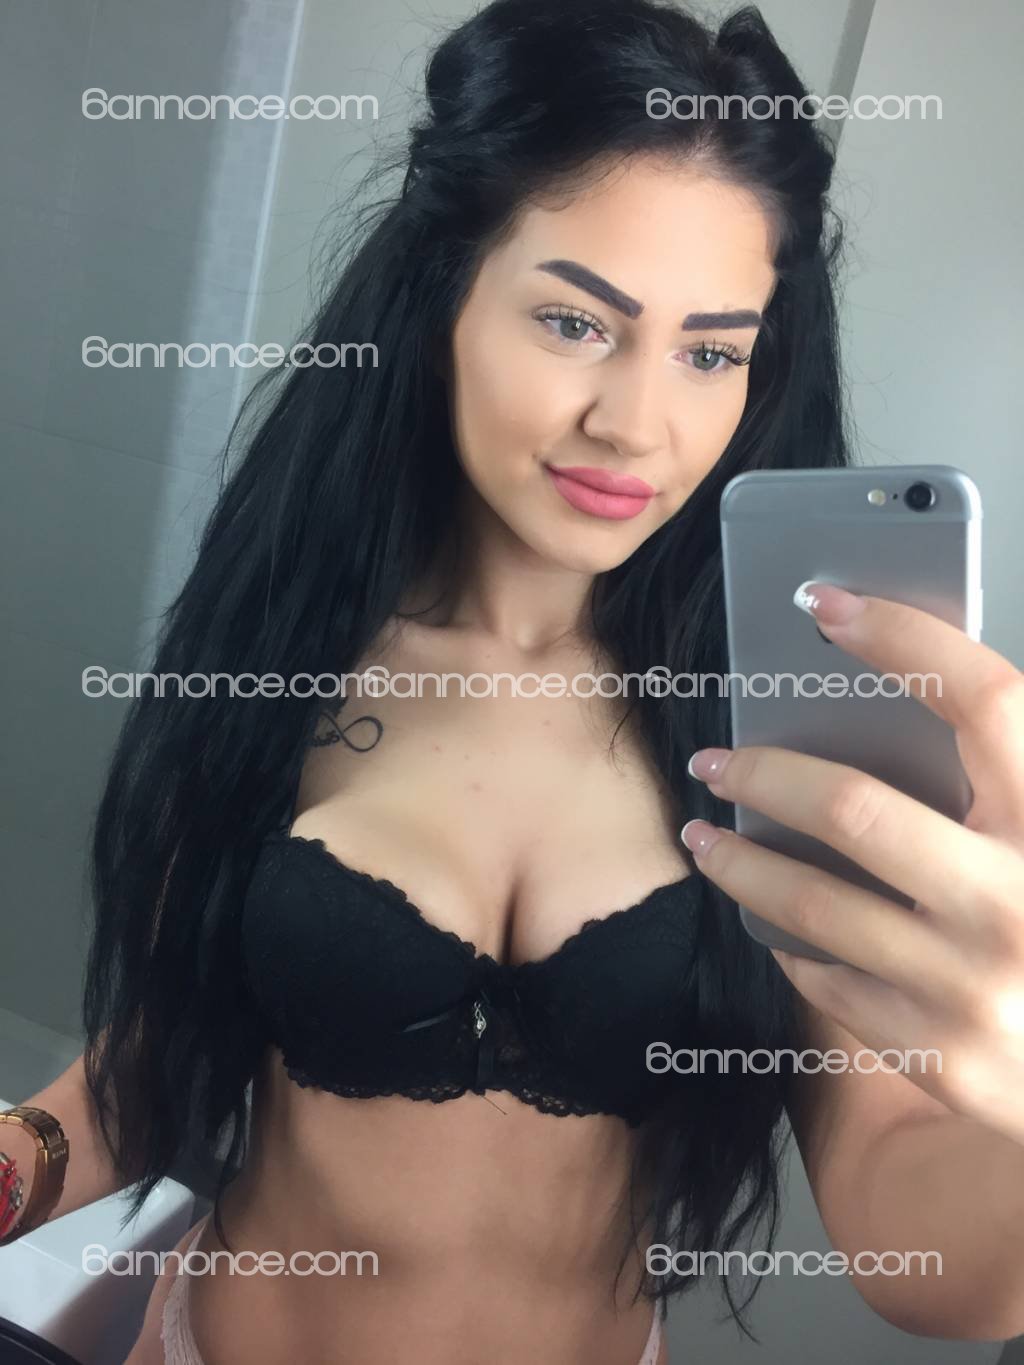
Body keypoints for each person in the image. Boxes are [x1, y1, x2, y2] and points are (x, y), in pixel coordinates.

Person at [5, 1, 1024, 1361]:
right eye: (574, 321)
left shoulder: (782, 731)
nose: (637, 424)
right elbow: (160, 1051)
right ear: (446, 297)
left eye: (710, 351)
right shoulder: (286, 653)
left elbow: (921, 1243)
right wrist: (16, 1156)